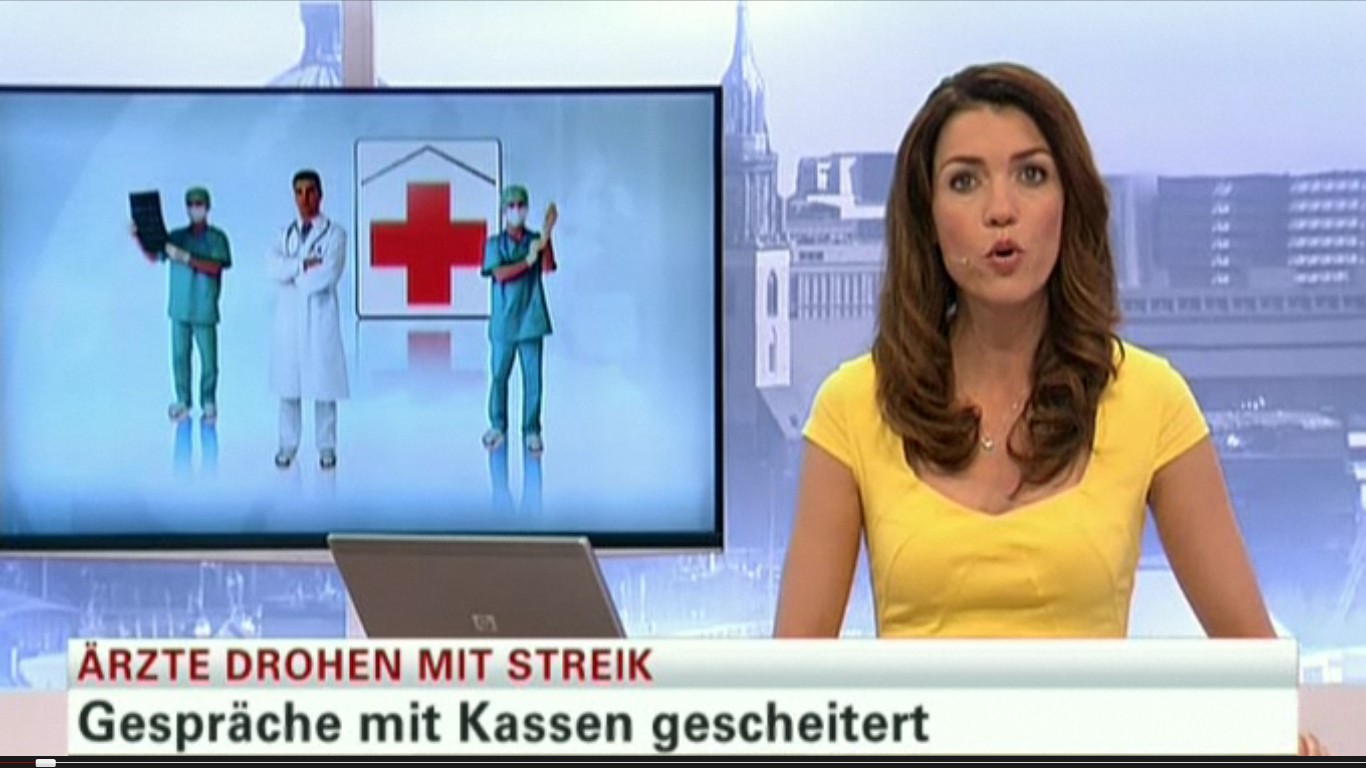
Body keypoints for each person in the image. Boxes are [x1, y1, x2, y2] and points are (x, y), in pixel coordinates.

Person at [773, 63, 1327, 754]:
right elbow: (789, 693)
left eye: (1031, 175)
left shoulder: (1150, 400)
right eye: (965, 181)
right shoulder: (853, 406)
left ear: (1069, 204)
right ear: (928, 219)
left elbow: (1253, 666)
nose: (1000, 210)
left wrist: (1279, 736)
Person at [267, 169, 349, 470]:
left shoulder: (335, 234)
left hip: (319, 318)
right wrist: (302, 264)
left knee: (323, 388)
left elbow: (327, 275)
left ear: (320, 194)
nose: (304, 198)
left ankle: (326, 448)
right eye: (299, 192)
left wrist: (292, 273)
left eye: (310, 191)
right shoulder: (283, 234)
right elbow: (272, 268)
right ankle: (287, 446)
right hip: (289, 321)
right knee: (288, 388)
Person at [133, 186, 232, 423]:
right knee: (179, 357)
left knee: (209, 361)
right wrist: (139, 236)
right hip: (179, 308)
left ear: (207, 207)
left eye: (199, 204)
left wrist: (187, 258)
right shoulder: (176, 237)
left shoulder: (217, 238)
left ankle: (208, 401)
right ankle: (183, 401)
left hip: (204, 309)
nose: (195, 208)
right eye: (191, 204)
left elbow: (216, 267)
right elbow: (154, 256)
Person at [480, 185, 558, 455]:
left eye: (521, 205)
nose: (516, 210)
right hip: (504, 322)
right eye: (511, 206)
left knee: (533, 380)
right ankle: (497, 426)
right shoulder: (494, 244)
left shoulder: (535, 239)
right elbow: (500, 274)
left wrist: (547, 237)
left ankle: (532, 430)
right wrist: (527, 260)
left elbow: (547, 267)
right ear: (504, 211)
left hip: (531, 321)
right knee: (499, 376)